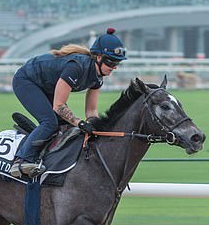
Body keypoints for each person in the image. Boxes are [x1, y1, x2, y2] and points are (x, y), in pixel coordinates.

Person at [9, 28, 127, 178]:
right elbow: (59, 105)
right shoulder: (76, 67)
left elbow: (91, 111)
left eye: (117, 63)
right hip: (26, 80)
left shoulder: (98, 78)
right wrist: (80, 123)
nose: (114, 67)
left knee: (67, 126)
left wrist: (96, 127)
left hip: (46, 85)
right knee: (49, 122)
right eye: (111, 61)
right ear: (98, 57)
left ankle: (48, 155)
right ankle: (22, 160)